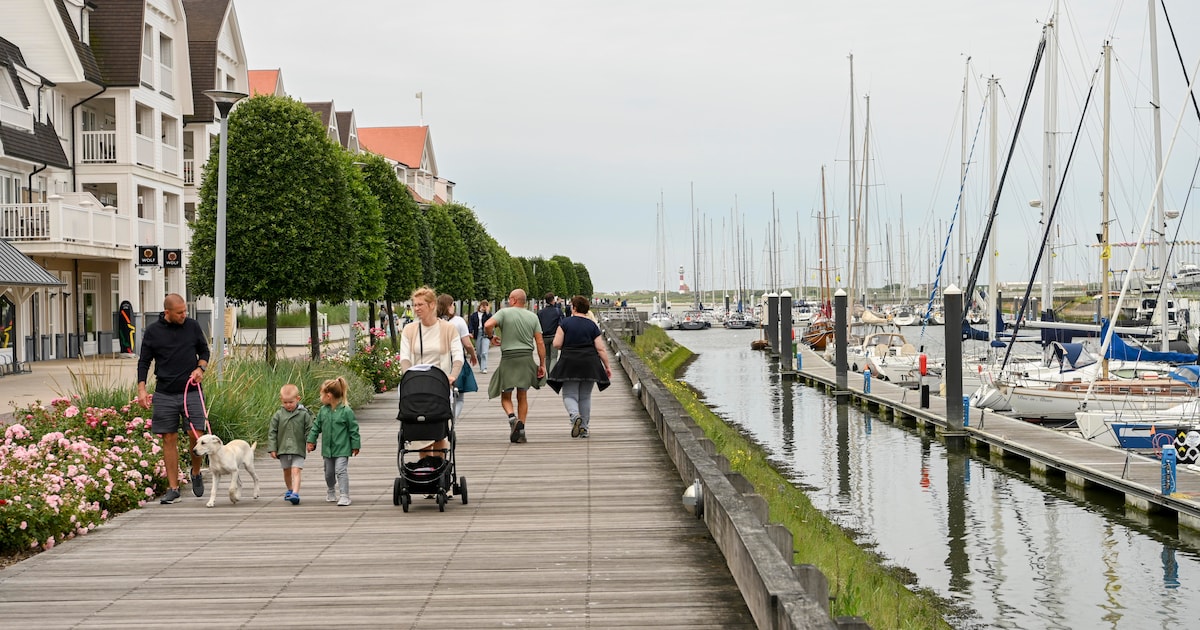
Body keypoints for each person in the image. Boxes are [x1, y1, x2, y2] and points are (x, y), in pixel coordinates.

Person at [136, 293, 210, 504]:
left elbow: (204, 350)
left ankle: (195, 472)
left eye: (185, 311)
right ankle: (173, 488)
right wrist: (142, 389)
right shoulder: (153, 332)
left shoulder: (192, 326)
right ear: (167, 312)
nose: (184, 315)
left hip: (191, 391)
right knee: (168, 439)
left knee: (196, 434)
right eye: (179, 313)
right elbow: (144, 362)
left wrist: (200, 368)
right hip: (165, 393)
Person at [399, 287, 463, 462]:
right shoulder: (409, 330)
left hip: (440, 386)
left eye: (420, 305)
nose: (416, 308)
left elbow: (458, 355)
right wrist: (408, 377)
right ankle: (426, 469)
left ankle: (439, 468)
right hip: (416, 388)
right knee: (422, 436)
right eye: (414, 305)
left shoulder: (448, 329)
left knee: (439, 431)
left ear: (432, 305)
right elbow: (404, 357)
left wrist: (452, 375)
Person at [484, 288, 546, 443]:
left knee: (506, 395)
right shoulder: (533, 317)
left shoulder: (504, 313)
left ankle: (512, 418)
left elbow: (487, 324)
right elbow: (539, 342)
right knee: (522, 395)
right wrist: (542, 364)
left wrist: (491, 336)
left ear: (513, 300)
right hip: (526, 358)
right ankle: (522, 429)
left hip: (509, 358)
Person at [547, 296, 612, 438]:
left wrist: (570, 345)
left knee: (569, 394)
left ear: (574, 308)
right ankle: (584, 428)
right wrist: (607, 366)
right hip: (590, 363)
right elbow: (600, 348)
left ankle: (575, 416)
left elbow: (557, 344)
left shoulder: (565, 323)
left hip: (569, 362)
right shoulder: (592, 325)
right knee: (585, 396)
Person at [306, 377, 361, 506]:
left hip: (342, 448)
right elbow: (316, 427)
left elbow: (353, 429)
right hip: (327, 449)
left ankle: (344, 495)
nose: (320, 397)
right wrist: (311, 440)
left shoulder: (346, 411)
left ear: (329, 395)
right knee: (329, 473)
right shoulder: (323, 411)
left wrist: (355, 445)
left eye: (321, 394)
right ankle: (331, 490)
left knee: (341, 470)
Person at [267, 383, 314, 505]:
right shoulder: (278, 415)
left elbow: (310, 429)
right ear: (281, 400)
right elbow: (272, 432)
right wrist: (272, 448)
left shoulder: (303, 414)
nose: (288, 405)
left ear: (298, 399)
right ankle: (289, 489)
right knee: (286, 470)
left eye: (291, 402)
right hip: (283, 448)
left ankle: (295, 493)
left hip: (298, 448)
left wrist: (310, 441)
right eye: (285, 402)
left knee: (296, 470)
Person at [437, 293, 477, 421]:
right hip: (456, 360)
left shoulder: (434, 321)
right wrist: (473, 355)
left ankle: (441, 419)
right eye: (452, 304)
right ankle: (451, 421)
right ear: (449, 306)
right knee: (459, 398)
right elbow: (467, 343)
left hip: (438, 360)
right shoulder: (458, 321)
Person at [537, 292, 563, 372]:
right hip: (554, 336)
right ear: (553, 300)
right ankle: (552, 374)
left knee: (547, 357)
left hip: (544, 337)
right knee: (554, 357)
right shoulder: (558, 311)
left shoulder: (540, 312)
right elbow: (562, 324)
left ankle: (547, 374)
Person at [468, 301, 492, 374]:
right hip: (477, 333)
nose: (483, 307)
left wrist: (488, 312)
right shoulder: (474, 315)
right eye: (483, 306)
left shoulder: (487, 315)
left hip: (486, 333)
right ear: (480, 306)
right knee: (478, 352)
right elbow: (471, 324)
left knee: (484, 352)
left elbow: (491, 321)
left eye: (485, 306)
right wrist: (470, 331)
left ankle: (484, 367)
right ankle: (482, 365)